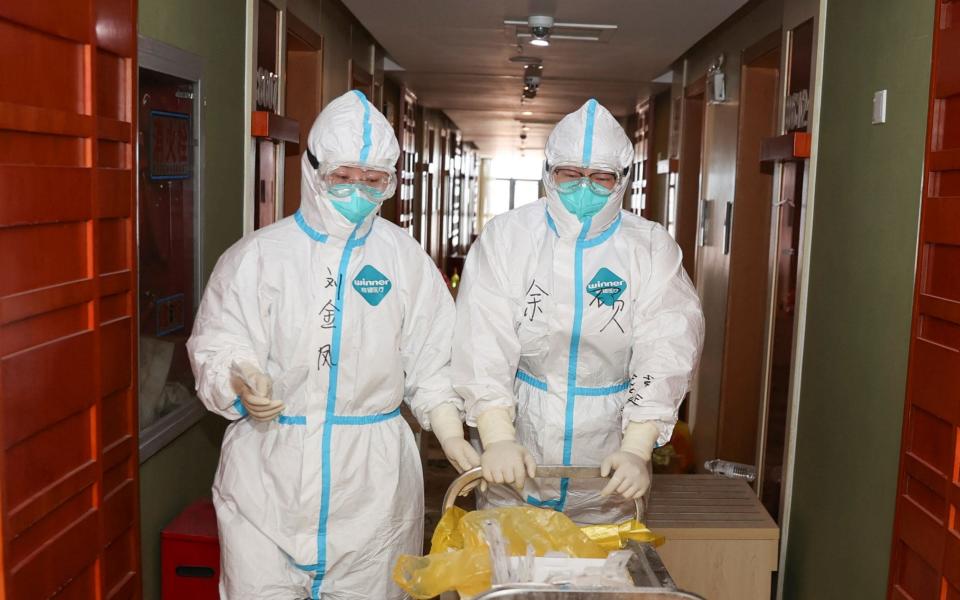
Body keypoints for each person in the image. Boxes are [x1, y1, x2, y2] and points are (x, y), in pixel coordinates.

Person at [187, 90, 478, 599]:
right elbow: (219, 340)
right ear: (314, 170)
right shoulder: (258, 256)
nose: (358, 192)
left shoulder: (402, 260)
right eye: (343, 177)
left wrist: (453, 436)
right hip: (267, 476)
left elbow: (435, 361)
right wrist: (239, 376)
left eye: (373, 181)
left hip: (372, 486)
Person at [452, 98, 705, 525]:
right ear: (548, 172)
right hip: (520, 440)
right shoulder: (509, 237)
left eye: (600, 177)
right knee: (511, 575)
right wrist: (496, 436)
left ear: (622, 180)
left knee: (600, 577)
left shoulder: (648, 247)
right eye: (569, 174)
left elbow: (667, 346)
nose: (584, 186)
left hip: (608, 452)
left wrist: (638, 447)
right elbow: (482, 340)